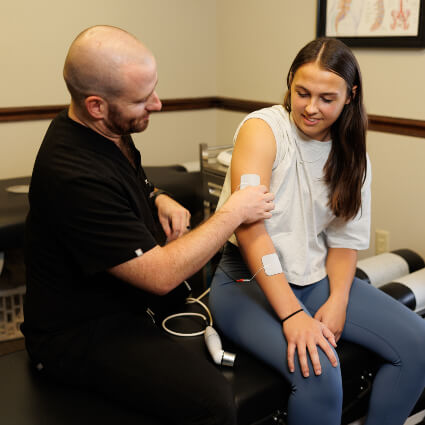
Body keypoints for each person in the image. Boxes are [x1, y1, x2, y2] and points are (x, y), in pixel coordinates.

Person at [22, 25, 275, 425]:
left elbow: (126, 180)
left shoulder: (109, 133)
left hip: (124, 300)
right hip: (80, 333)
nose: (157, 104)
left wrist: (157, 196)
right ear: (96, 106)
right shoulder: (72, 172)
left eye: (154, 89)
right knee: (215, 404)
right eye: (142, 99)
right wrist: (232, 212)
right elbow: (159, 275)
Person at [209, 37, 425, 425]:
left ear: (350, 96)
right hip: (246, 279)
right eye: (302, 92)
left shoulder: (352, 155)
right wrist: (293, 314)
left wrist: (339, 299)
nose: (310, 108)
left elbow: (343, 243)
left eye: (327, 98)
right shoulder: (263, 130)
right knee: (319, 373)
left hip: (313, 277)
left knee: (418, 344)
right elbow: (249, 228)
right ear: (290, 82)